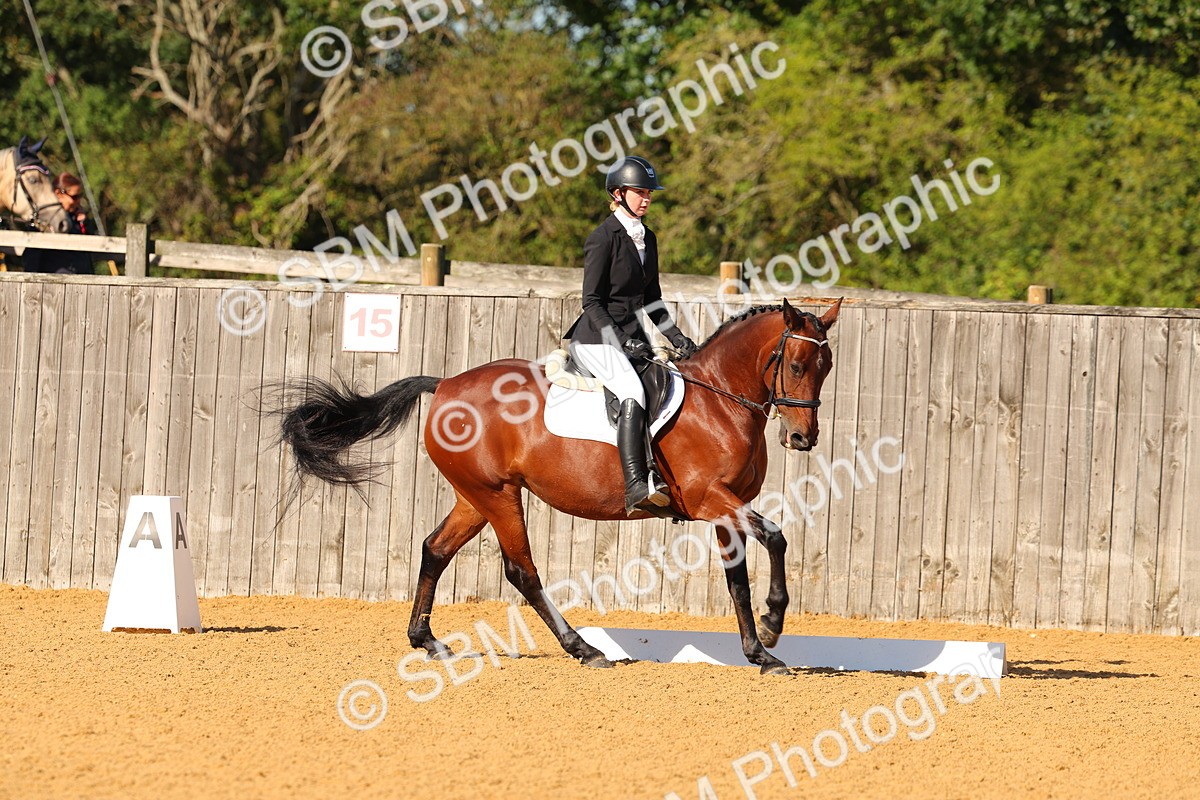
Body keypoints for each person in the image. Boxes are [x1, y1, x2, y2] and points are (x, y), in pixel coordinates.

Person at [564, 155, 699, 515]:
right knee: (632, 390)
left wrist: (678, 338)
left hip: (634, 337)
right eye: (640, 192)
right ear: (618, 194)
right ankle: (637, 483)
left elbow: (651, 299)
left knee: (667, 384)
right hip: (596, 339)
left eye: (649, 193)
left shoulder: (647, 238)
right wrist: (621, 341)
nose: (647, 199)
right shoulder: (601, 238)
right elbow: (592, 302)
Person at [22, 172, 96, 275]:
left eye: (80, 196)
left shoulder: (78, 219)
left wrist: (85, 223)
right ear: (59, 194)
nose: (78, 201)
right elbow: (31, 257)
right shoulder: (44, 220)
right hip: (52, 279)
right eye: (75, 197)